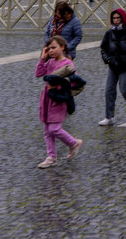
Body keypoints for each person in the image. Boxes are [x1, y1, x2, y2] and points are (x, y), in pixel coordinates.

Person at [35, 36, 82, 168]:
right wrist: (43, 58)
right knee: (47, 131)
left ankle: (74, 143)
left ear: (62, 47)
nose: (51, 51)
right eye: (49, 48)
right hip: (46, 99)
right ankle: (51, 157)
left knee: (54, 128)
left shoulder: (67, 64)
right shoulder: (49, 63)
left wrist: (57, 86)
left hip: (58, 99)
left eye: (54, 47)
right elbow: (38, 73)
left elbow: (73, 82)